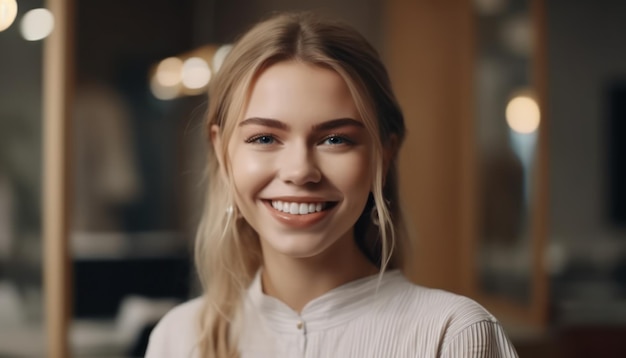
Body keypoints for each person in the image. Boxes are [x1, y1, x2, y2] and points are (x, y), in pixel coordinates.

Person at [146, 11, 518, 358]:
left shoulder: (453, 334)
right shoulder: (177, 339)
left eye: (335, 139)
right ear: (221, 151)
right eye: (264, 138)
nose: (300, 171)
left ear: (384, 155)